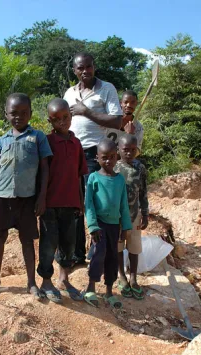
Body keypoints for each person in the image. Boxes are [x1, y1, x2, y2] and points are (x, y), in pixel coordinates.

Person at [0, 93, 52, 300]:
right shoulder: (2, 140)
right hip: (2, 196)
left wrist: (42, 196)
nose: (18, 117)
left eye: (23, 113)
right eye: (13, 113)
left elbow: (45, 169)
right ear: (6, 114)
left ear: (30, 114)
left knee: (27, 240)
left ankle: (31, 283)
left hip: (27, 198)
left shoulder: (38, 137)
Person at [63, 52, 123, 265]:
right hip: (72, 154)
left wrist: (86, 111)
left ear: (94, 67)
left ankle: (99, 250)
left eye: (88, 67)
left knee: (97, 203)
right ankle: (77, 254)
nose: (85, 71)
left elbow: (117, 121)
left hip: (94, 154)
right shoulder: (69, 93)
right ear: (74, 70)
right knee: (75, 204)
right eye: (80, 68)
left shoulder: (107, 89)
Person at [36, 98, 88, 303]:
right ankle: (46, 281)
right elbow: (42, 173)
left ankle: (64, 279)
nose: (62, 122)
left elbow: (78, 175)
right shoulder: (47, 142)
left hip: (71, 202)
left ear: (71, 116)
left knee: (69, 243)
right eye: (57, 119)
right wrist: (40, 200)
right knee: (48, 243)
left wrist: (81, 202)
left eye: (66, 117)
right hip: (50, 203)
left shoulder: (76, 144)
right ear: (50, 121)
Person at [83, 139, 132, 308]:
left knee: (112, 257)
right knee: (99, 254)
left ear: (117, 157)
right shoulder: (93, 178)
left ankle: (109, 291)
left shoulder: (119, 180)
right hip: (100, 225)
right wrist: (92, 226)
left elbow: (123, 205)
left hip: (114, 226)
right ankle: (91, 287)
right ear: (97, 158)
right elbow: (88, 204)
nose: (109, 161)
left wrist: (125, 227)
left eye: (112, 157)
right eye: (105, 157)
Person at [114, 134, 149, 300]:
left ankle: (133, 277)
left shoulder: (140, 168)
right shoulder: (113, 167)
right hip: (117, 217)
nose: (129, 153)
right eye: (125, 150)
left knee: (134, 247)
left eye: (132, 150)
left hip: (134, 215)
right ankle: (121, 276)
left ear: (137, 150)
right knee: (118, 247)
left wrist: (146, 213)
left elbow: (143, 193)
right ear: (118, 150)